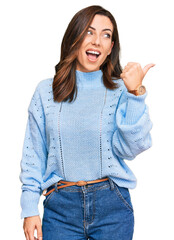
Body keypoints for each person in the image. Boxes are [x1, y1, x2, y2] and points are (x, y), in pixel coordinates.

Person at [19, 5, 155, 240]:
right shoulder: (46, 92)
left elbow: (131, 149)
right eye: (89, 32)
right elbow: (33, 154)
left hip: (112, 207)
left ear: (111, 47)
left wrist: (135, 95)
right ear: (75, 38)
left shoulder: (120, 90)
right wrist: (29, 207)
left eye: (106, 35)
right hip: (60, 209)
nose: (97, 42)